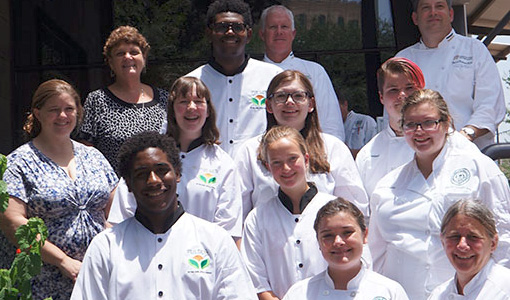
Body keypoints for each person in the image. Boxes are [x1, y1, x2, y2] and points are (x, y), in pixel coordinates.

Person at [71, 131, 257, 300]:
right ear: (128, 183)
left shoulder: (215, 241)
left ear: (177, 173)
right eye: (142, 174)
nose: (153, 180)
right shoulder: (106, 247)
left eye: (162, 170)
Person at [368, 89, 510, 300]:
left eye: (428, 122)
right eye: (410, 124)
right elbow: (376, 254)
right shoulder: (387, 186)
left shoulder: (479, 169)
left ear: (446, 124)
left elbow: (504, 237)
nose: (419, 131)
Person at [0, 79, 118, 300]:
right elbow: (13, 222)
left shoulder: (94, 156)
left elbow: (116, 209)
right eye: (54, 110)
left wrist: (104, 252)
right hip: (43, 281)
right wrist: (64, 261)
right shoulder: (19, 162)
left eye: (69, 109)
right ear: (37, 113)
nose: (63, 116)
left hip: (96, 276)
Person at [107, 76, 242, 240]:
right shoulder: (147, 155)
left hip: (200, 258)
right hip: (145, 252)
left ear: (208, 111)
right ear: (172, 110)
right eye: (183, 101)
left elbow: (228, 231)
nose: (191, 107)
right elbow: (120, 217)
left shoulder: (223, 164)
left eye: (198, 101)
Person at [235, 70, 367, 220]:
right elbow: (238, 212)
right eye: (281, 96)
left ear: (311, 104)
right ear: (269, 105)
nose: (289, 102)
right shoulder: (249, 151)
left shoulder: (334, 148)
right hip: (267, 240)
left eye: (298, 96)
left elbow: (354, 208)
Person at [241, 125, 337, 300]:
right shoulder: (257, 219)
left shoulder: (335, 210)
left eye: (292, 159)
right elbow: (255, 279)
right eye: (276, 162)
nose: (286, 168)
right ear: (267, 167)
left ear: (306, 159)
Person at [397, 0, 505, 149]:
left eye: (439, 6)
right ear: (415, 18)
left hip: (470, 150)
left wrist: (466, 135)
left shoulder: (474, 49)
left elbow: (491, 104)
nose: (433, 12)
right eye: (426, 8)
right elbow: (395, 112)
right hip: (418, 154)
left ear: (451, 14)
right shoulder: (403, 59)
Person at [187, 0, 282, 157]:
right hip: (209, 174)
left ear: (249, 34)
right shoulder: (192, 82)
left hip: (262, 172)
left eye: (238, 27)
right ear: (209, 33)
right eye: (222, 27)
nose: (230, 32)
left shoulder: (273, 77)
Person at [78, 25, 168, 172]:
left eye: (134, 52)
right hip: (115, 190)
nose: (128, 57)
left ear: (144, 58)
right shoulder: (97, 100)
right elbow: (85, 153)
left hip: (158, 188)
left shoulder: (164, 99)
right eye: (120, 53)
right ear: (111, 62)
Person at [283, 198, 409, 300]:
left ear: (364, 235)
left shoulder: (389, 292)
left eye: (347, 232)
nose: (338, 242)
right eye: (328, 235)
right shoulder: (299, 294)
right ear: (319, 242)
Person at [259, 4, 344, 140]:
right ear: (262, 34)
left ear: (293, 34)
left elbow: (331, 124)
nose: (279, 32)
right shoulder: (251, 74)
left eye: (284, 27)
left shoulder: (315, 71)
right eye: (273, 27)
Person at [356, 57, 426, 197]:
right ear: (381, 97)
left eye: (409, 88)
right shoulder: (367, 155)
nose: (402, 95)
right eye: (393, 90)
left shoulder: (447, 142)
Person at [429, 199, 510, 299]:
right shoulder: (438, 295)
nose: (462, 245)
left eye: (473, 237)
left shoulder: (505, 291)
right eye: (454, 236)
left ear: (493, 243)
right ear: (443, 241)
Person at [337, 89, 377, 157]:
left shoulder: (366, 121)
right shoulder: (329, 128)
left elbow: (374, 152)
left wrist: (347, 152)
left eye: (337, 107)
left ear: (345, 104)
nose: (335, 112)